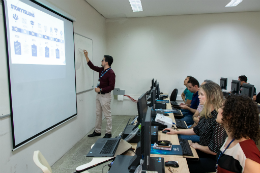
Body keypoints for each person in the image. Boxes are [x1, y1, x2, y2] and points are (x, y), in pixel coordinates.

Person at [164, 82, 227, 173]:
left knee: (181, 166)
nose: (199, 97)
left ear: (212, 96)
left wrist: (197, 146)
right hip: (203, 151)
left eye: (202, 94)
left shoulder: (217, 118)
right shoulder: (207, 112)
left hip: (212, 159)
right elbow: (196, 130)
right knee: (176, 152)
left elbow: (214, 151)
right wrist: (176, 131)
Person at [216, 95, 260, 173]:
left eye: (221, 107)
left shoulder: (247, 155)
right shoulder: (230, 139)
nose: (218, 110)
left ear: (230, 115)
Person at [84, 50, 115, 138]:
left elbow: (111, 87)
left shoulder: (111, 73)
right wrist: (86, 56)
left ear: (106, 62)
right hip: (99, 95)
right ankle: (97, 131)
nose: (101, 61)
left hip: (105, 96)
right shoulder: (101, 70)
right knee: (98, 113)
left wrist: (100, 89)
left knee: (107, 115)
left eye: (102, 60)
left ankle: (108, 133)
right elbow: (92, 66)